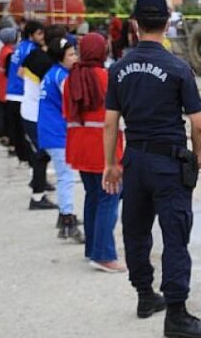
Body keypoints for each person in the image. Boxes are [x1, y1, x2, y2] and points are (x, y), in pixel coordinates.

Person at [102, 0, 201, 338]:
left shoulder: (118, 68)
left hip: (134, 159)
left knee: (136, 230)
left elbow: (111, 123)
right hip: (169, 162)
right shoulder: (177, 67)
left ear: (134, 24)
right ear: (168, 23)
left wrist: (111, 164)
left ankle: (144, 296)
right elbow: (198, 123)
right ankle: (177, 314)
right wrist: (197, 153)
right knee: (175, 235)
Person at [64, 32, 126, 273]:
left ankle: (92, 248)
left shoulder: (72, 78)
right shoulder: (106, 77)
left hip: (79, 147)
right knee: (109, 198)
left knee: (93, 197)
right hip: (103, 149)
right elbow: (116, 117)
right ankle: (104, 255)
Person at [39, 36, 83, 242]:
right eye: (72, 54)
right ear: (60, 57)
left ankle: (64, 216)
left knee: (65, 175)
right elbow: (75, 102)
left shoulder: (53, 73)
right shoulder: (62, 78)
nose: (76, 57)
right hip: (57, 133)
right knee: (66, 177)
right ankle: (67, 219)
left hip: (49, 130)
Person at [21, 25, 67, 211]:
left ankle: (37, 184)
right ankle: (37, 196)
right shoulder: (47, 64)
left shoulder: (35, 54)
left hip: (29, 109)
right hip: (35, 114)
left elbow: (19, 72)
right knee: (42, 154)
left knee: (43, 154)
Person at [6, 21, 43, 166]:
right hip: (22, 94)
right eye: (39, 33)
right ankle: (33, 163)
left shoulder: (19, 47)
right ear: (31, 34)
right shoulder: (32, 50)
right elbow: (22, 73)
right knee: (27, 134)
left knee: (18, 132)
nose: (42, 37)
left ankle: (23, 159)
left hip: (11, 92)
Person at [0, 28, 19, 147]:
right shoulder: (9, 53)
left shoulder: (3, 50)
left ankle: (8, 136)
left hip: (2, 86)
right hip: (8, 88)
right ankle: (11, 140)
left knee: (6, 115)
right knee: (10, 118)